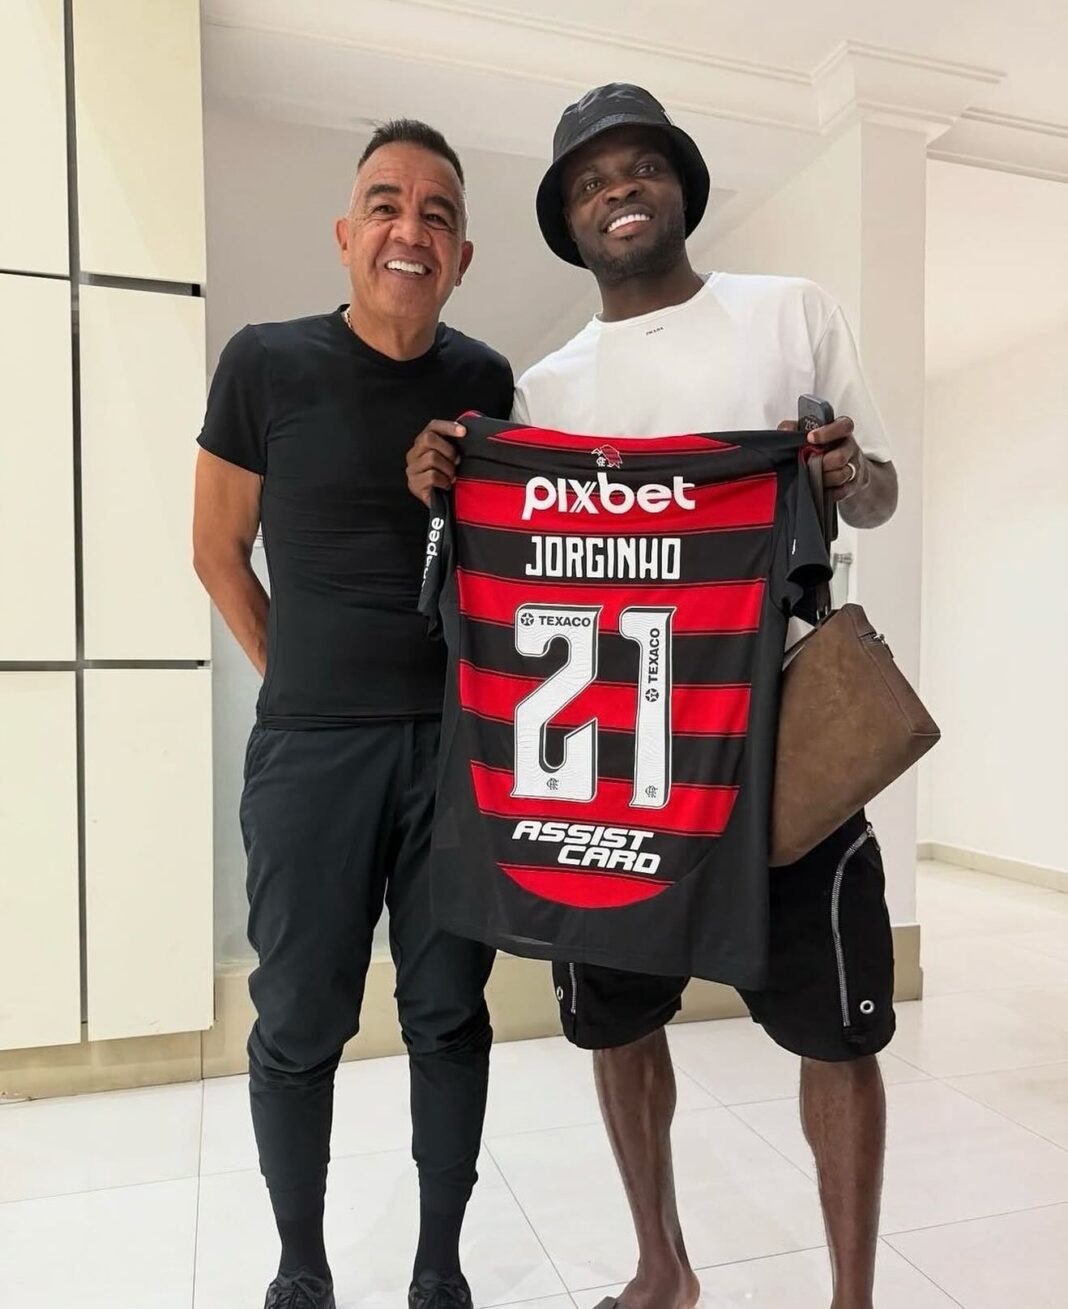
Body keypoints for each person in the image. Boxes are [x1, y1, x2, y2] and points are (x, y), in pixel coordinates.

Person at [406, 84, 899, 1309]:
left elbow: (882, 493)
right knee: (615, 1014)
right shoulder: (547, 388)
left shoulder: (791, 312)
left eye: (638, 168)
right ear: (569, 223)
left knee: (835, 1023)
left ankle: (852, 1297)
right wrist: (450, 481)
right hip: (617, 752)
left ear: (679, 184)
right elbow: (525, 562)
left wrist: (848, 469)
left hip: (781, 729)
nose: (617, 191)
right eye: (589, 182)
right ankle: (662, 1267)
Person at [193, 119, 513, 1309]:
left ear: (462, 256)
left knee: (449, 1013)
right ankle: (302, 1263)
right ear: (345, 234)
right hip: (311, 753)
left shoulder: (486, 383)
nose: (408, 228)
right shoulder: (264, 362)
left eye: (437, 213)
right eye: (386, 204)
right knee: (298, 1015)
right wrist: (300, 678)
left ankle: (438, 1267)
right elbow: (216, 549)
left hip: (456, 753)